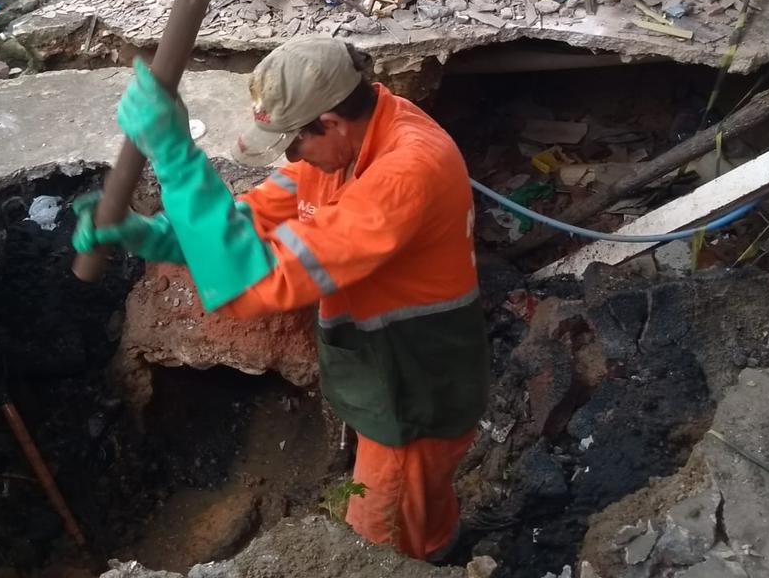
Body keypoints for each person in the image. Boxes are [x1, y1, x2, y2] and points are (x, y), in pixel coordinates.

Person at [73, 37, 489, 562]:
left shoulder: (406, 172)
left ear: (332, 122)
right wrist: (155, 236)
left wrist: (178, 158)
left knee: (376, 551)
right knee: (419, 515)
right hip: (385, 367)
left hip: (416, 387)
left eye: (293, 143)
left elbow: (251, 284)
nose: (290, 156)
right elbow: (250, 226)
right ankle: (444, 551)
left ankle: (432, 559)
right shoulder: (343, 146)